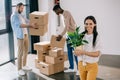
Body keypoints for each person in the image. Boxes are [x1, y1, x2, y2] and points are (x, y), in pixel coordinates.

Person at [10, 2, 37, 76]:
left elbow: (26, 20)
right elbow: (20, 25)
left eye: (23, 8)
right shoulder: (14, 16)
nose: (22, 9)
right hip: (20, 36)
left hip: (25, 35)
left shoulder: (20, 15)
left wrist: (33, 22)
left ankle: (24, 65)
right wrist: (30, 25)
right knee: (20, 53)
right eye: (21, 8)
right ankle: (19, 69)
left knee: (26, 51)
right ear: (17, 7)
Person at [53, 4, 79, 75]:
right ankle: (71, 68)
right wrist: (65, 35)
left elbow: (67, 27)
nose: (56, 13)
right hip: (68, 35)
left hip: (73, 34)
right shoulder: (62, 15)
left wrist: (61, 35)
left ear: (58, 9)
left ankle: (79, 69)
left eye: (55, 11)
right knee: (69, 52)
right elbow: (66, 28)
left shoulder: (66, 13)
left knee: (75, 52)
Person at [74, 16, 102, 80]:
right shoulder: (80, 36)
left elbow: (97, 54)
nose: (88, 26)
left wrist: (83, 52)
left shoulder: (97, 37)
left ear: (94, 24)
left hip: (92, 65)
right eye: (86, 24)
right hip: (81, 65)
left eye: (90, 24)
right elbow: (77, 50)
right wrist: (75, 52)